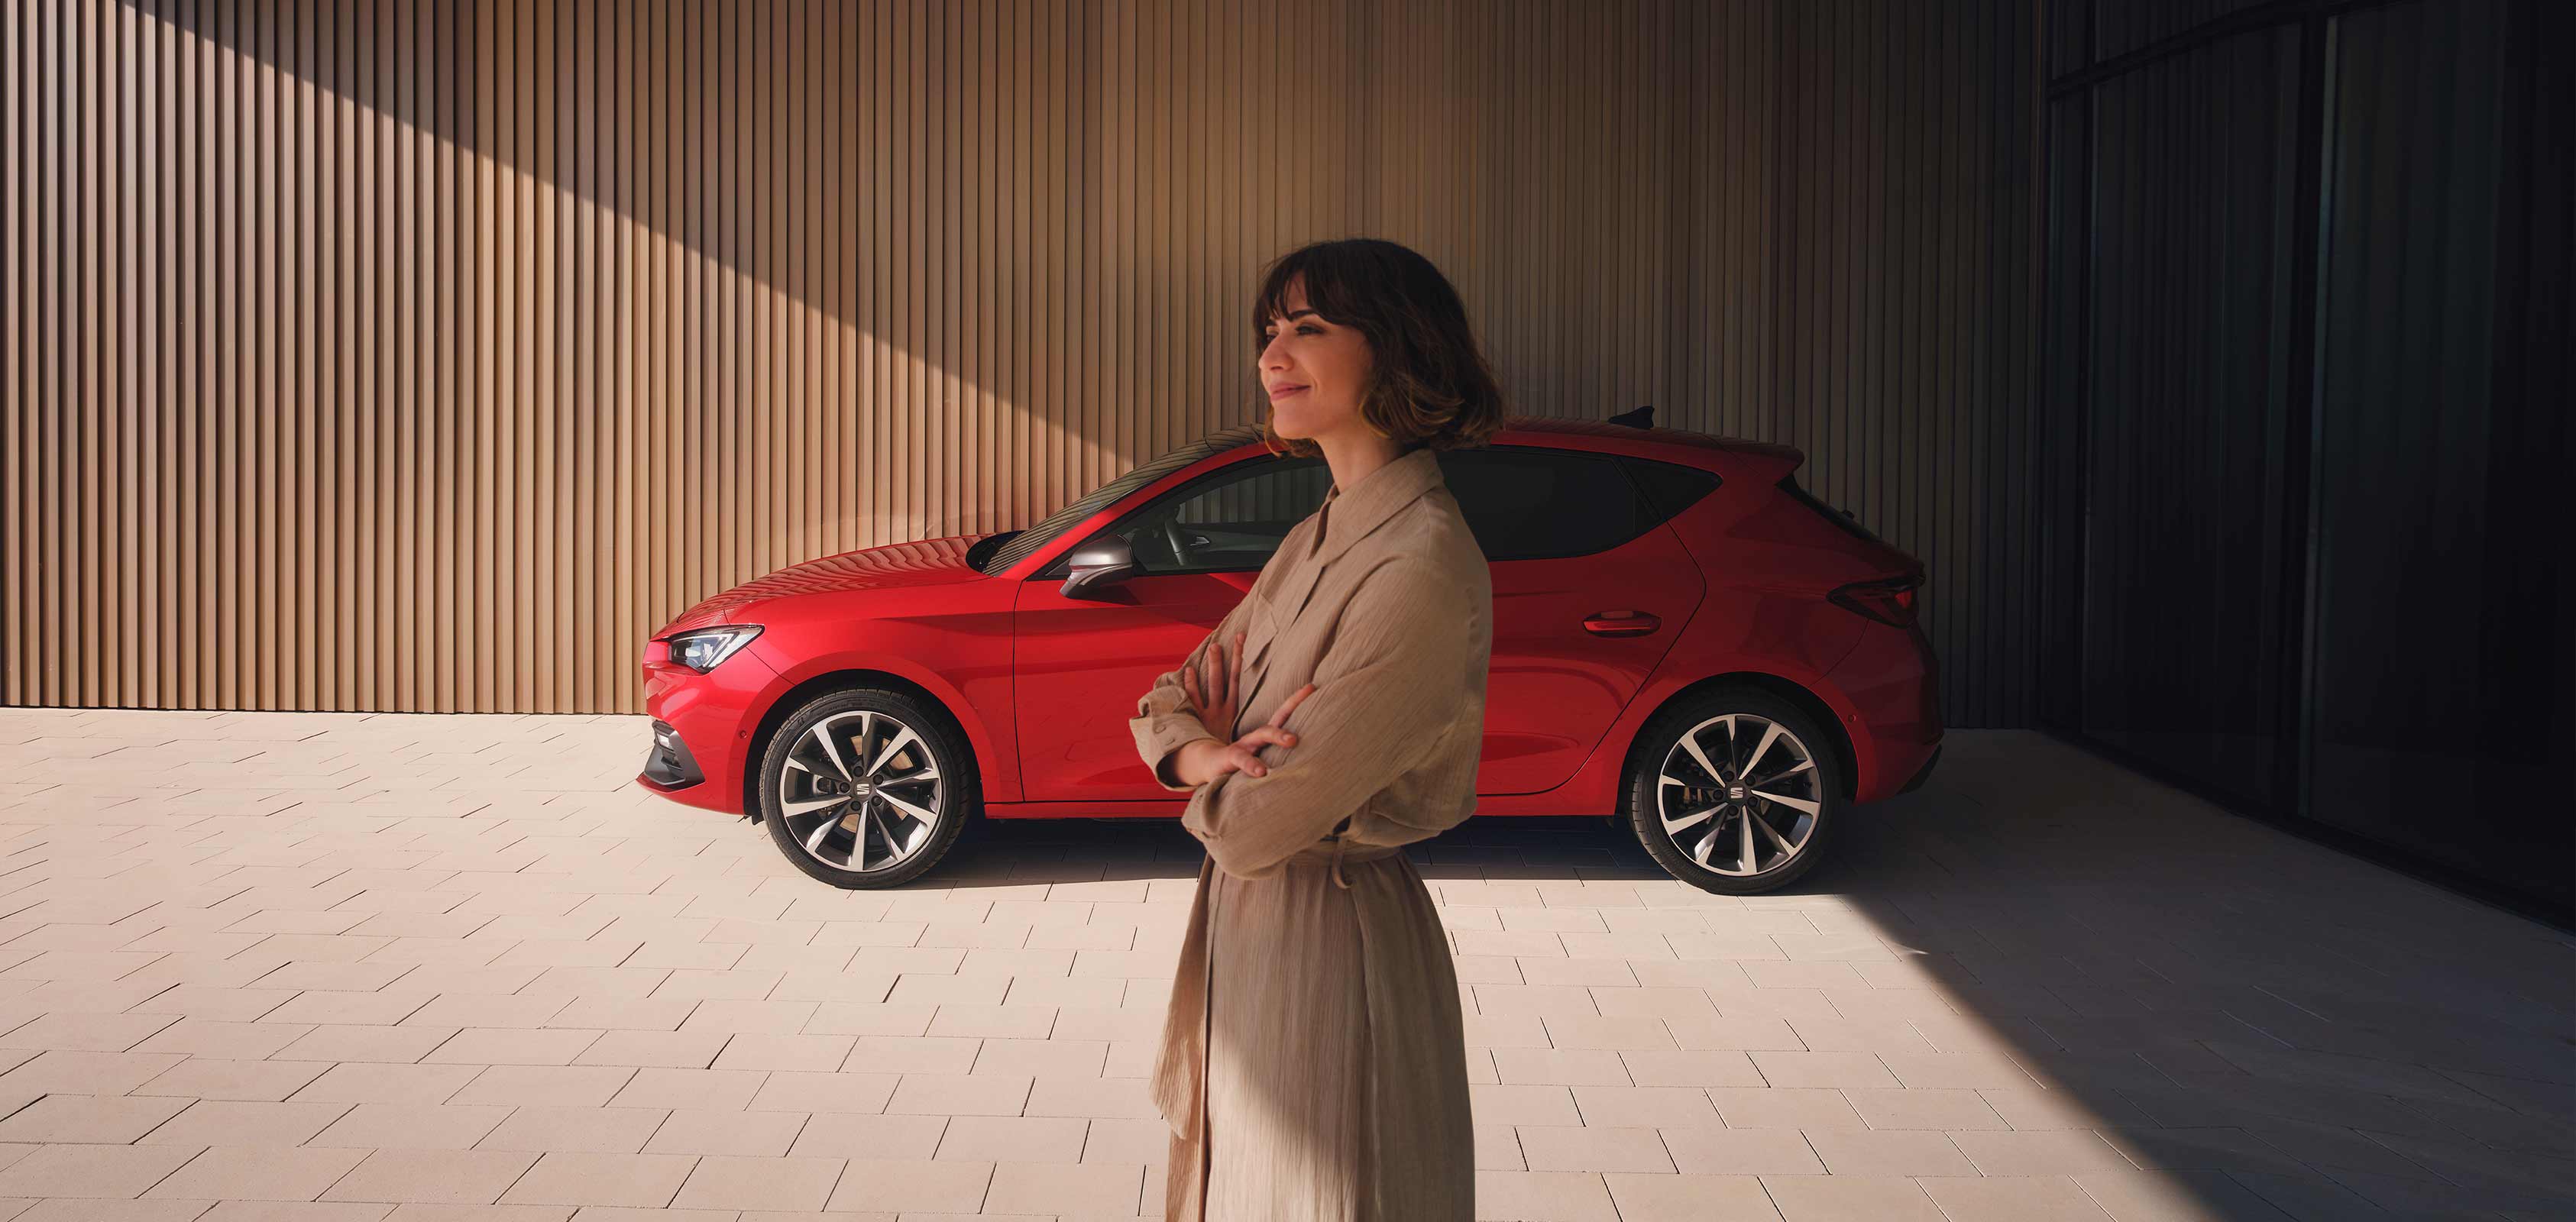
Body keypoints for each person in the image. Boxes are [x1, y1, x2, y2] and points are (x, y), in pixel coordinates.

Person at [1128, 237, 1504, 1220]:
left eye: (1308, 328)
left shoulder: (1416, 564)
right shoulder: (1317, 534)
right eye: (1269, 332)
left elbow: (1257, 829)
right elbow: (1165, 699)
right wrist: (1211, 752)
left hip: (1337, 950)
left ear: (1397, 349)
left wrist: (1208, 782)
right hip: (1247, 941)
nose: (1270, 355)